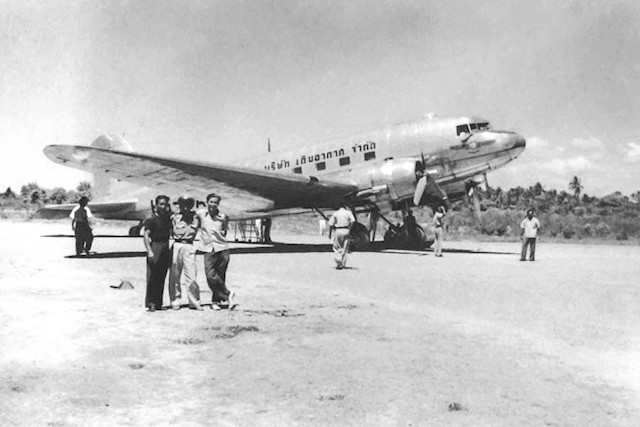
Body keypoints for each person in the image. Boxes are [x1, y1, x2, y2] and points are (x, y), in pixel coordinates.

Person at [197, 193, 235, 310]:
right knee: (210, 275)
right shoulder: (201, 214)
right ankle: (228, 294)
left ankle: (215, 302)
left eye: (215, 202)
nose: (213, 204)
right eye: (211, 202)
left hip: (222, 248)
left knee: (220, 275)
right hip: (208, 248)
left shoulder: (223, 217)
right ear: (207, 202)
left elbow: (224, 230)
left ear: (218, 204)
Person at [169, 196, 202, 310]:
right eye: (183, 204)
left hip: (189, 245)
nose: (185, 206)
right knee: (175, 274)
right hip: (177, 245)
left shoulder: (196, 217)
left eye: (188, 204)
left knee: (191, 275)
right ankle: (175, 300)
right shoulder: (174, 217)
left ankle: (194, 301)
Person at [142, 195, 172, 312]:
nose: (163, 207)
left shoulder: (168, 219)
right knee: (152, 276)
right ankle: (151, 303)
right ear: (156, 205)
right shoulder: (151, 219)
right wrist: (149, 250)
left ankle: (158, 302)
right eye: (161, 204)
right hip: (155, 246)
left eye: (165, 204)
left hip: (165, 247)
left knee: (161, 276)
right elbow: (146, 235)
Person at [328, 203, 355, 269]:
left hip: (338, 230)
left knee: (337, 247)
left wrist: (330, 233)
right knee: (345, 247)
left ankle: (338, 260)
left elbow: (331, 224)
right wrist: (350, 228)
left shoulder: (336, 213)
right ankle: (343, 263)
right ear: (345, 207)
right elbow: (353, 221)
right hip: (346, 230)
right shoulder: (348, 212)